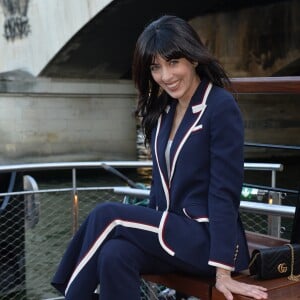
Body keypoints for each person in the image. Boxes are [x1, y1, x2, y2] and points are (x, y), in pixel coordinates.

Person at [51, 15, 268, 300]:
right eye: (156, 67)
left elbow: (224, 192)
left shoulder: (219, 106)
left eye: (173, 62)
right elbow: (159, 188)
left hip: (205, 241)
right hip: (169, 233)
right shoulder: (164, 109)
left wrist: (223, 271)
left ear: (193, 58)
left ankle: (70, 295)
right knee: (115, 255)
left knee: (108, 215)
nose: (166, 76)